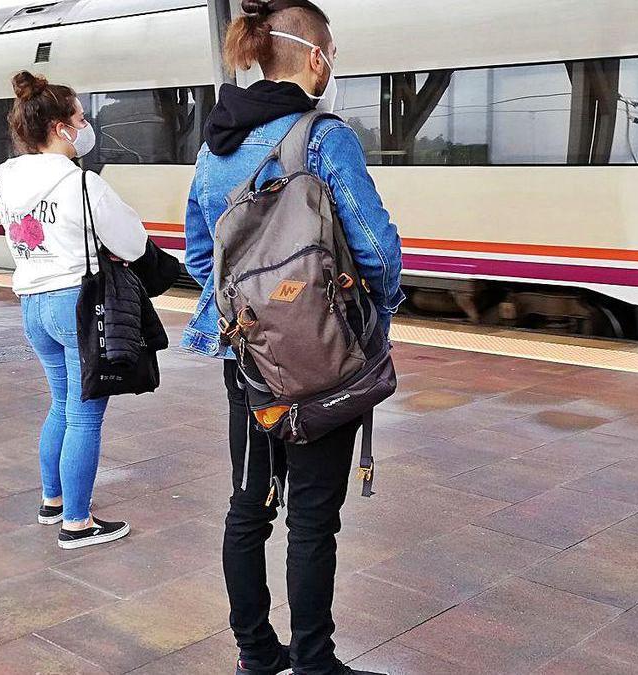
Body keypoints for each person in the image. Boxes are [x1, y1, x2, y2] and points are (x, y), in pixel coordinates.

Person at [183, 2, 403, 673]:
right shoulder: (323, 137)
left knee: (249, 504)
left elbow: (201, 256)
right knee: (312, 516)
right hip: (321, 362)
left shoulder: (212, 146)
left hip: (247, 358)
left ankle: (255, 650)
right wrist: (370, 315)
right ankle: (313, 660)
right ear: (314, 57)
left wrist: (252, 316)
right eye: (330, 51)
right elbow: (377, 250)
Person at [0, 71, 146, 549]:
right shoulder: (83, 185)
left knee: (61, 404)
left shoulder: (10, 182)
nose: (86, 126)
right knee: (85, 416)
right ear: (61, 127)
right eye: (81, 118)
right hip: (76, 305)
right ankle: (77, 524)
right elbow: (134, 242)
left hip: (33, 304)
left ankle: (53, 500)